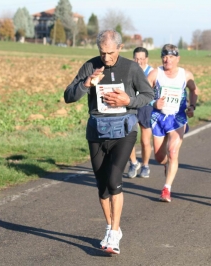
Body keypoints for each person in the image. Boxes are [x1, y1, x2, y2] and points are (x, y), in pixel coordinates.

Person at [64, 29, 154, 254]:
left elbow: (148, 95)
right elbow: (68, 96)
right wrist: (87, 84)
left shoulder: (131, 68)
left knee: (115, 180)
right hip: (96, 131)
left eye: (110, 53)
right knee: (103, 187)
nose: (106, 58)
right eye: (102, 53)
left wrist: (128, 100)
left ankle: (114, 235)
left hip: (124, 132)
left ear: (120, 48)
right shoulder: (90, 66)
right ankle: (111, 226)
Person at [147, 44, 199, 203]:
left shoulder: (185, 75)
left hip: (177, 118)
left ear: (177, 58)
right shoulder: (155, 73)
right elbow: (142, 92)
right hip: (158, 118)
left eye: (170, 56)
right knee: (160, 157)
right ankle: (166, 165)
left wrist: (191, 106)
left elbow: (194, 90)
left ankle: (166, 189)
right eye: (164, 56)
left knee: (173, 151)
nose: (166, 59)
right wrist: (153, 103)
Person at [127, 47, 154, 178]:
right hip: (132, 106)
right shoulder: (129, 70)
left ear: (146, 59)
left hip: (146, 107)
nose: (139, 61)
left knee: (145, 140)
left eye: (142, 59)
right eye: (136, 58)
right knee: (129, 138)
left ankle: (145, 165)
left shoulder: (152, 72)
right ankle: (133, 163)